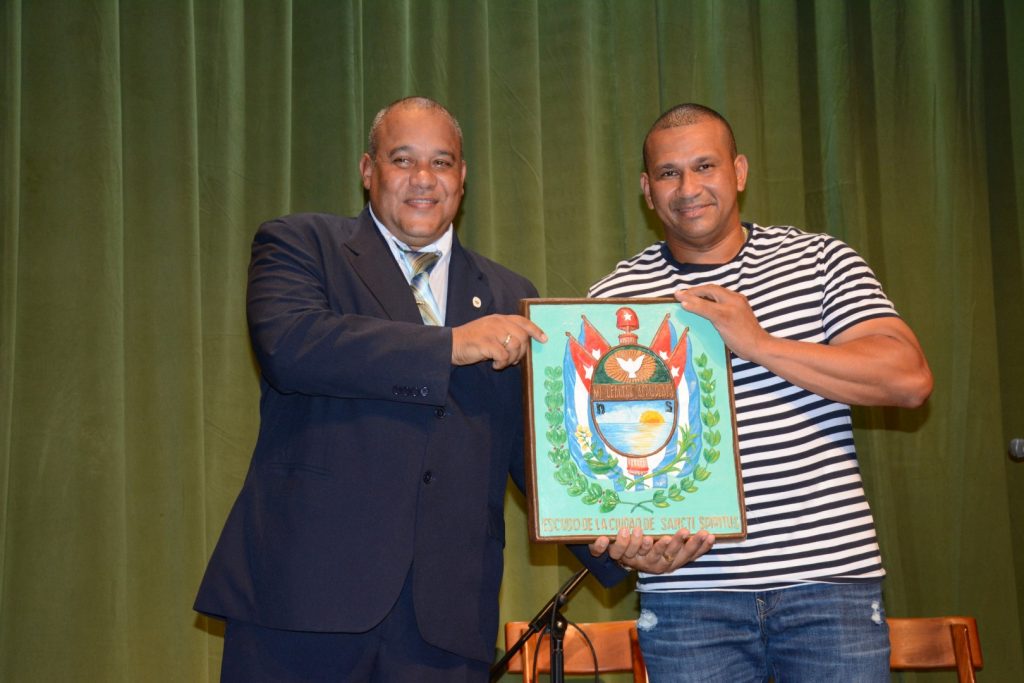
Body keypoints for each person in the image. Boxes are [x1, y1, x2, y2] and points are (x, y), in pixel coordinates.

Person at [194, 96, 637, 682]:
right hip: (303, 604)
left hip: (444, 623)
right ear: (367, 170)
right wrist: (450, 344)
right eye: (403, 160)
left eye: (442, 162)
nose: (424, 180)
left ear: (463, 177)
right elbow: (292, 345)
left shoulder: (509, 294)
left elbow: (534, 451)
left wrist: (615, 537)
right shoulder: (303, 245)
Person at [586, 103, 934, 682]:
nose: (688, 188)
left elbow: (908, 378)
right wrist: (628, 543)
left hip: (828, 587)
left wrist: (758, 343)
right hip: (687, 597)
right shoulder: (613, 299)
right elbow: (605, 468)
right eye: (669, 173)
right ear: (648, 191)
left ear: (739, 171)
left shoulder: (820, 260)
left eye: (705, 166)